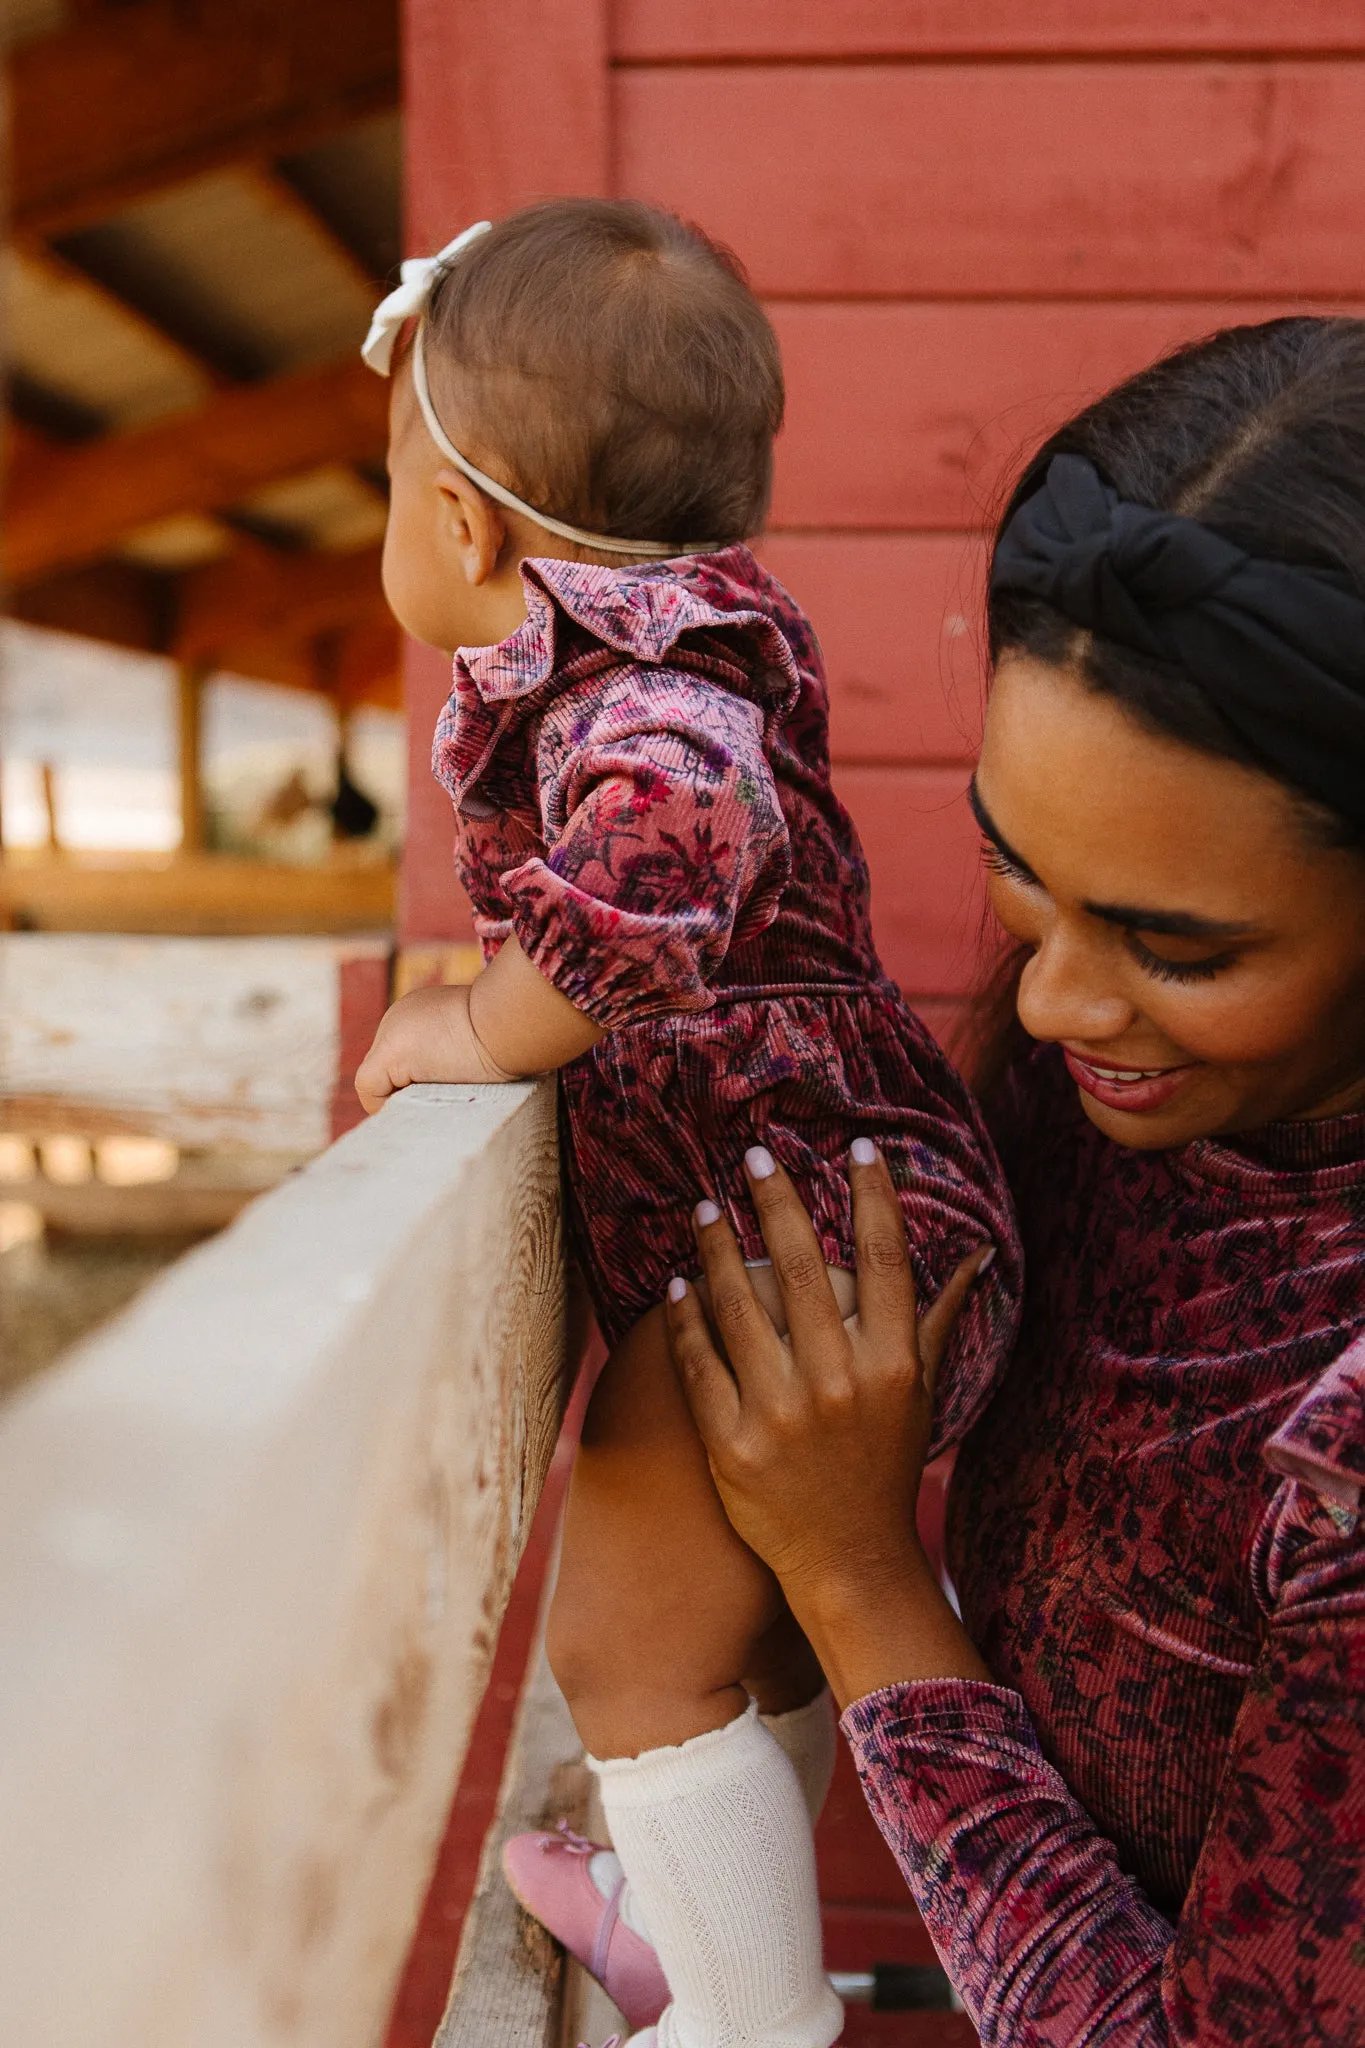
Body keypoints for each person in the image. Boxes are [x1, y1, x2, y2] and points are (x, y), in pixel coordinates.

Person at [352, 201, 1020, 2048]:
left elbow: (657, 867)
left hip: (803, 1223)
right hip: (836, 1204)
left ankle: (741, 2016)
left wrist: (474, 1025)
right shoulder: (673, 655)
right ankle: (690, 1919)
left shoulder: (644, 703)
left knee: (625, 1632)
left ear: (463, 525)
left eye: (390, 491)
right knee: (756, 1618)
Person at [660, 317, 1365, 2044]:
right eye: (1018, 874)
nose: (1047, 1004)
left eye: (1176, 947)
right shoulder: (1159, 1116)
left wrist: (860, 1577)